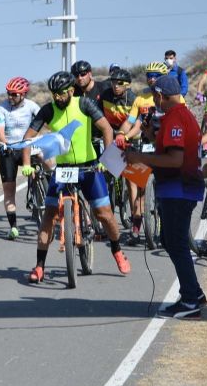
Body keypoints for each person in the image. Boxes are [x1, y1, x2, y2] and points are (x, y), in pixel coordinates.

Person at [21, 71, 131, 283]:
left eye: (61, 93)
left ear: (71, 90)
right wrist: (26, 165)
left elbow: (107, 129)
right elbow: (28, 138)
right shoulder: (48, 110)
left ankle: (117, 250)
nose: (58, 98)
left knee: (105, 215)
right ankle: (39, 266)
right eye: (54, 94)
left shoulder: (84, 104)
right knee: (48, 215)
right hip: (62, 169)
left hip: (89, 166)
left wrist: (105, 160)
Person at [125, 75, 206, 318]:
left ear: (161, 95)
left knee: (176, 243)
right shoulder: (178, 115)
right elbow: (168, 149)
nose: (154, 101)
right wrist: (150, 135)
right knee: (170, 241)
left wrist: (140, 158)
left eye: (155, 96)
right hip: (177, 188)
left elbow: (175, 159)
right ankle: (194, 292)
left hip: (179, 188)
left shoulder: (175, 118)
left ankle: (191, 300)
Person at [116, 62, 169, 245]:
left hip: (166, 147)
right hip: (145, 146)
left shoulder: (173, 97)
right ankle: (136, 222)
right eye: (149, 75)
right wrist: (123, 135)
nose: (151, 78)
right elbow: (132, 122)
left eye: (155, 74)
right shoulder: (140, 98)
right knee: (134, 181)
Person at [0, 76, 40, 239]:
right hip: (10, 149)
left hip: (27, 147)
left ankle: (47, 187)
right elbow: (0, 130)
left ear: (23, 94)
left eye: (14, 94)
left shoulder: (32, 106)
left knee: (46, 157)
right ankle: (13, 227)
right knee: (9, 190)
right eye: (9, 94)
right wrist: (5, 143)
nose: (10, 97)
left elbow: (46, 121)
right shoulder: (2, 108)